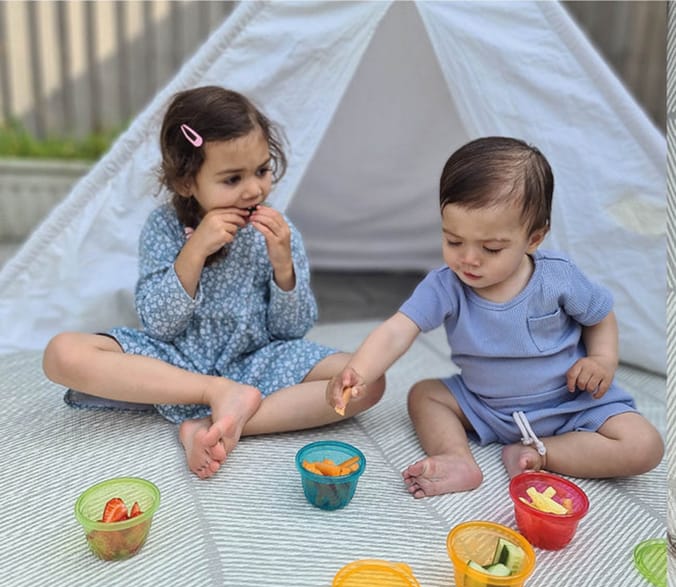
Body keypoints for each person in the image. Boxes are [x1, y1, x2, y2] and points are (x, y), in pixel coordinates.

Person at [43, 86, 384, 479]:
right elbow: (159, 325)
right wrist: (194, 253)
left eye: (261, 170)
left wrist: (283, 267)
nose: (254, 189)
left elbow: (291, 330)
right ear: (187, 182)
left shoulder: (277, 231)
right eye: (232, 178)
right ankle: (214, 394)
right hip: (174, 364)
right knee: (62, 352)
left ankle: (212, 424)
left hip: (255, 361)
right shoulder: (164, 229)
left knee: (366, 379)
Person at [327, 136, 663, 498]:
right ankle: (456, 457)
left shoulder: (557, 277)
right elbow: (397, 330)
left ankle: (542, 454)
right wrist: (358, 370)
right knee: (425, 395)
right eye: (454, 241)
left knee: (644, 446)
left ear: (533, 238)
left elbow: (600, 316)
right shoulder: (445, 285)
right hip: (485, 406)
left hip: (570, 404)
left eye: (491, 248)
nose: (468, 259)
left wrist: (601, 359)